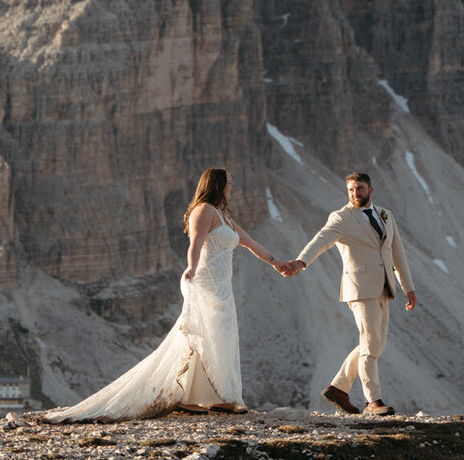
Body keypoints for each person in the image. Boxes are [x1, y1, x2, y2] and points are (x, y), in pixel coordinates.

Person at [46, 168, 288, 421]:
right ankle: (212, 397)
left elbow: (249, 242)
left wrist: (277, 263)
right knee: (207, 334)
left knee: (220, 334)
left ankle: (208, 397)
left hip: (222, 285)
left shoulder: (224, 216)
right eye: (229, 184)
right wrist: (192, 268)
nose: (232, 188)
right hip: (205, 281)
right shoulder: (204, 210)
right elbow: (195, 242)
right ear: (217, 186)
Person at [281, 171, 416, 416]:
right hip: (360, 289)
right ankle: (373, 401)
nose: (355, 193)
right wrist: (301, 262)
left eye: (360, 189)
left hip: (385, 288)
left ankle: (338, 388)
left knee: (374, 344)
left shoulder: (386, 215)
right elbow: (320, 240)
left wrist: (408, 287)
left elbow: (398, 253)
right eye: (351, 190)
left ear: (370, 190)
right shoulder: (341, 218)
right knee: (371, 344)